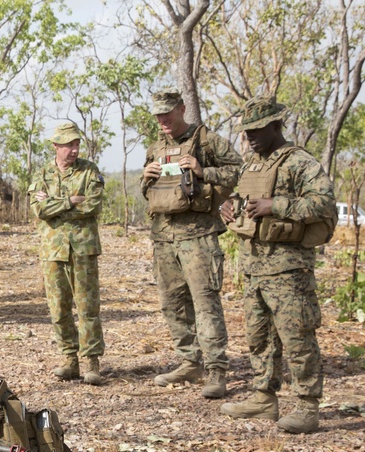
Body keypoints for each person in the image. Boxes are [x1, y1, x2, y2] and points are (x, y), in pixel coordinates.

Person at [219, 96, 336, 433]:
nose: (251, 136)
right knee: (259, 337)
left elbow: (324, 203)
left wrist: (277, 205)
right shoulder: (250, 163)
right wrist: (228, 207)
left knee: (298, 337)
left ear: (275, 125)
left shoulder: (300, 162)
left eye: (257, 129)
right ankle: (263, 398)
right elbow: (241, 201)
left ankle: (306, 405)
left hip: (289, 268)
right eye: (246, 131)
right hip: (253, 267)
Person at [141, 88, 242, 399]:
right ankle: (189, 362)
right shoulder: (156, 147)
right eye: (158, 115)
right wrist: (146, 177)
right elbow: (149, 193)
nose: (163, 119)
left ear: (182, 108)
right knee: (172, 304)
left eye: (168, 113)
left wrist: (203, 170)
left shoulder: (207, 140)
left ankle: (216, 370)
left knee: (205, 303)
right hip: (164, 237)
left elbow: (241, 171)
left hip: (197, 236)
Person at [30, 121, 106, 385]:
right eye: (68, 145)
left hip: (83, 249)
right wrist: (70, 201)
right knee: (58, 308)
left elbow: (92, 206)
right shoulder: (42, 174)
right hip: (53, 251)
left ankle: (92, 361)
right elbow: (38, 211)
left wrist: (53, 205)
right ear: (55, 146)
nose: (73, 150)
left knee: (87, 307)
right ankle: (69, 359)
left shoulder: (89, 171)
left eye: (76, 145)